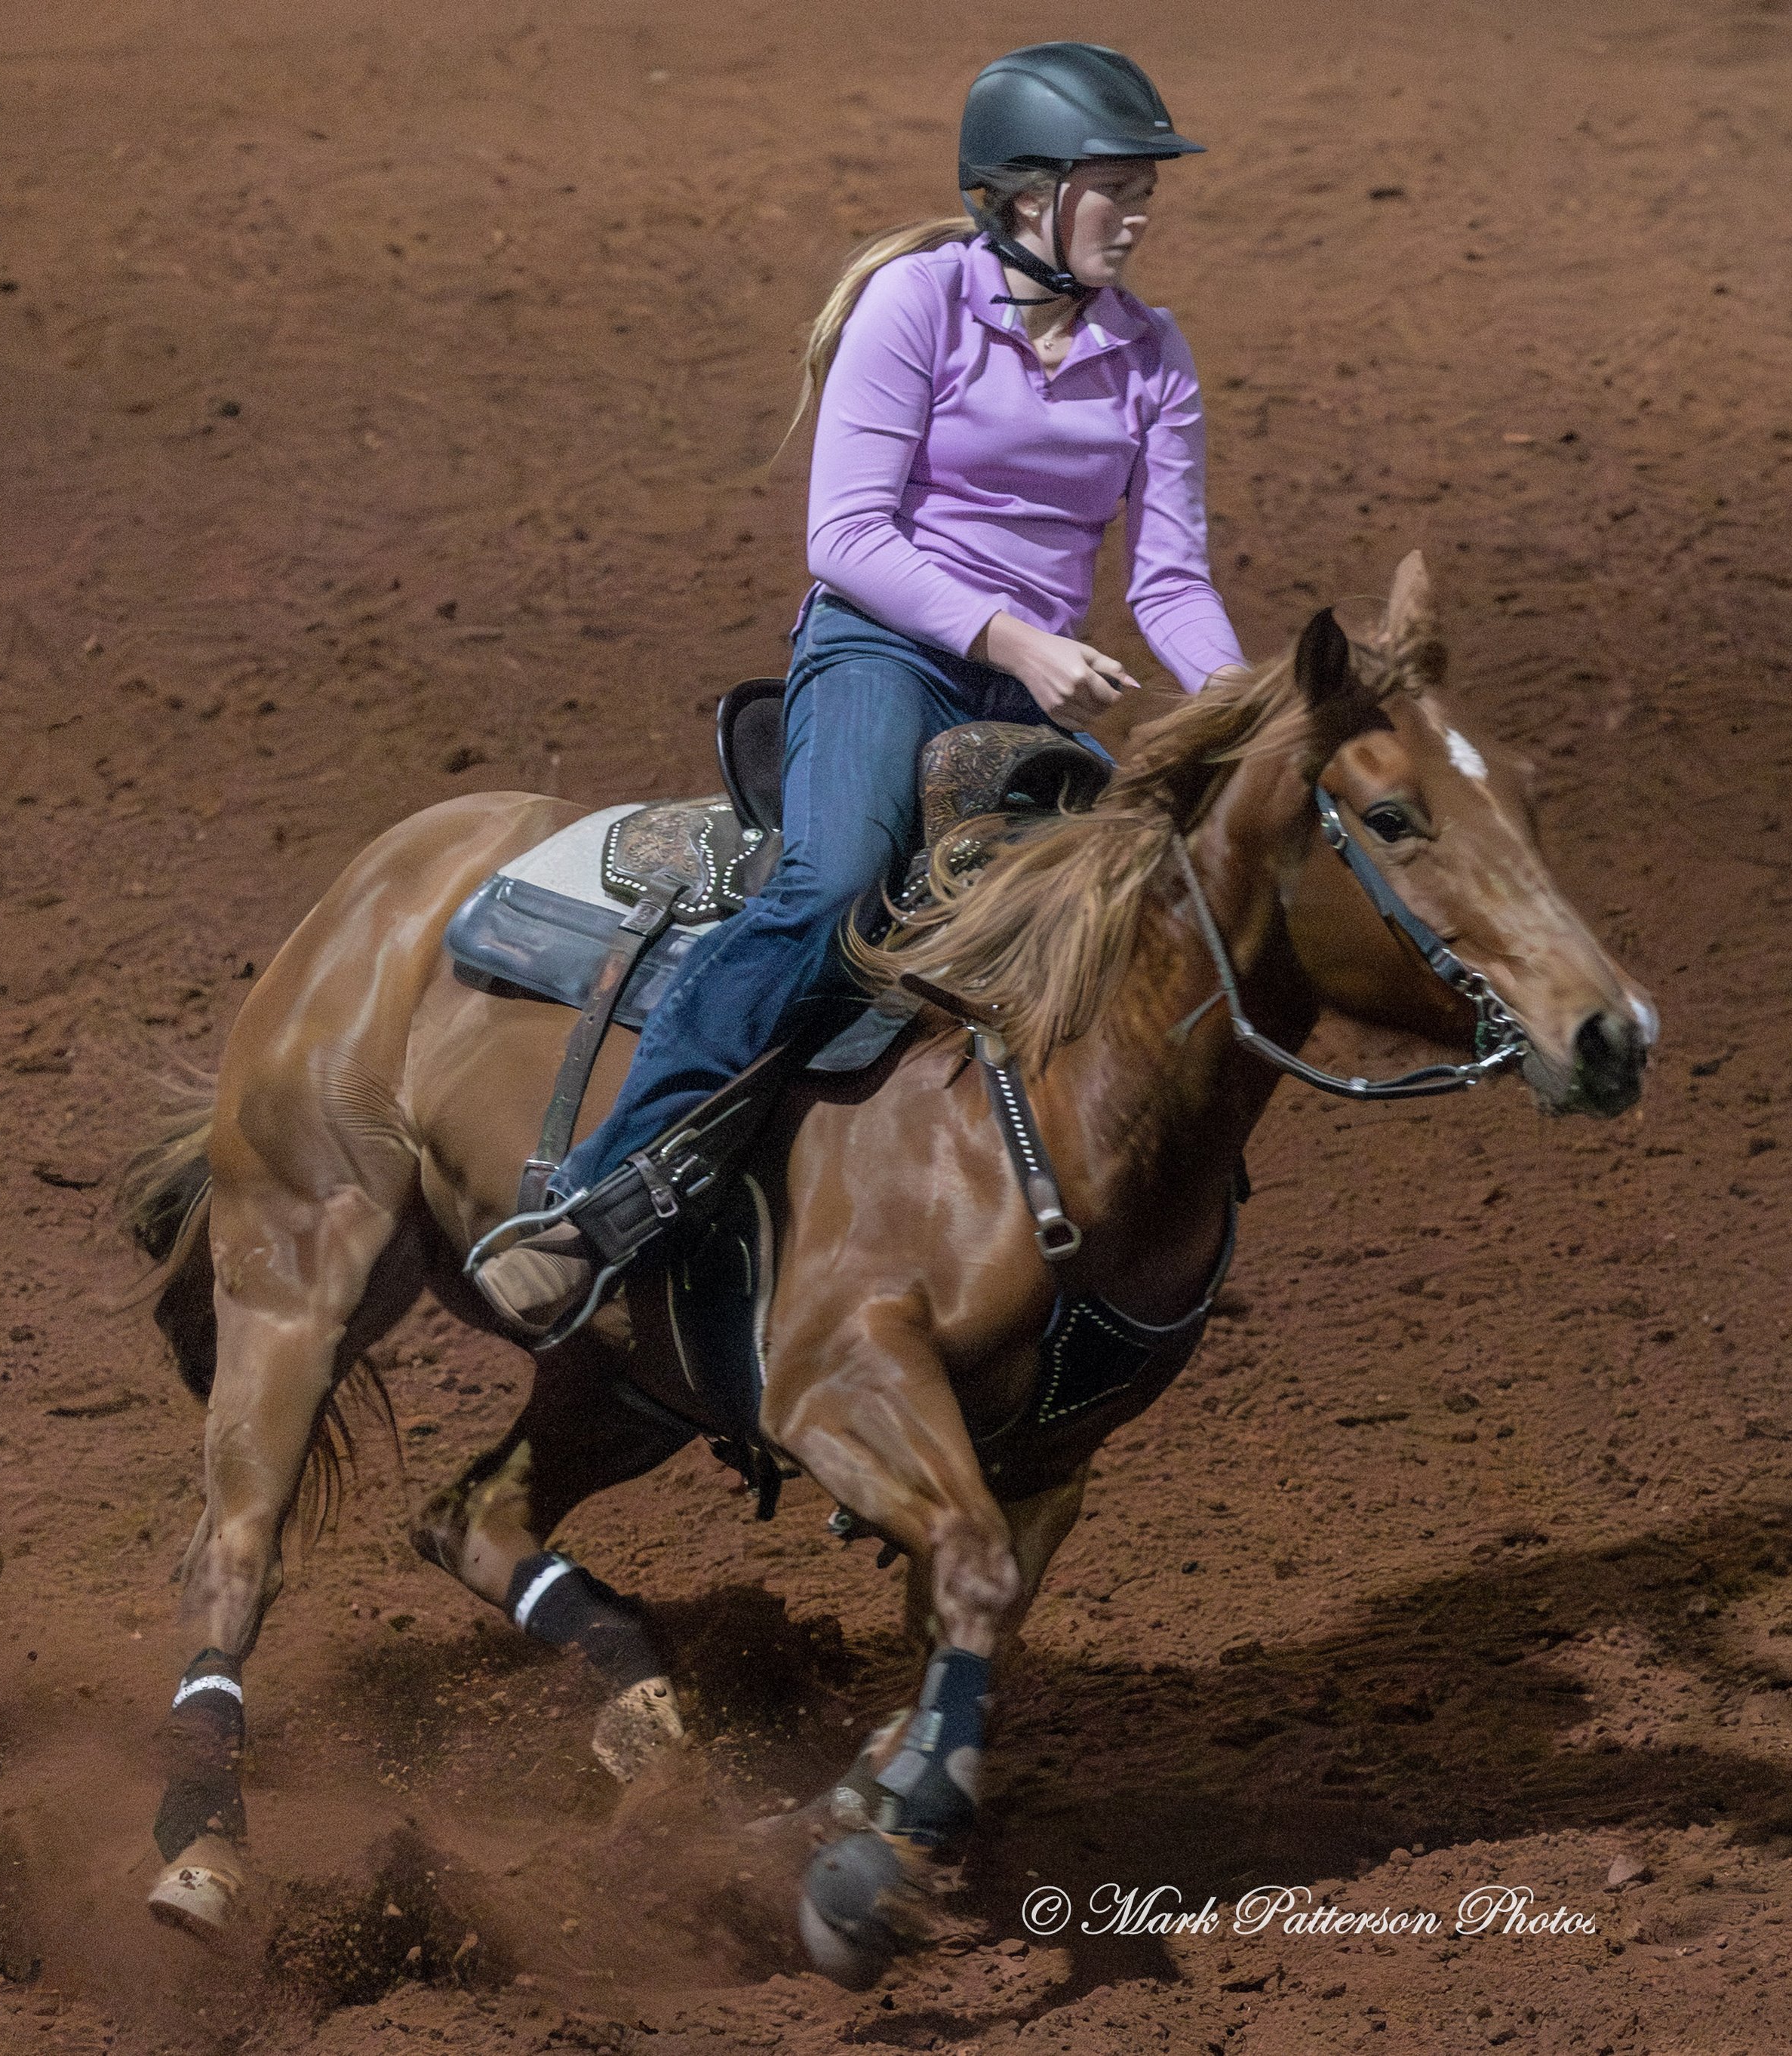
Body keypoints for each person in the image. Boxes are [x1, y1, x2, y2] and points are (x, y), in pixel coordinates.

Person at [473, 40, 1249, 1332]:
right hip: (884, 650)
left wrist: (1249, 708)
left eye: (1146, 183)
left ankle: (1127, 1226)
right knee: (832, 885)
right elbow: (849, 538)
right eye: (1118, 181)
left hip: (1024, 695)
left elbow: (1169, 582)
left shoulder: (1153, 358)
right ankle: (605, 1198)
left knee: (1150, 917)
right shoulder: (920, 305)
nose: (1144, 207)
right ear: (1024, 193)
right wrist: (1016, 639)